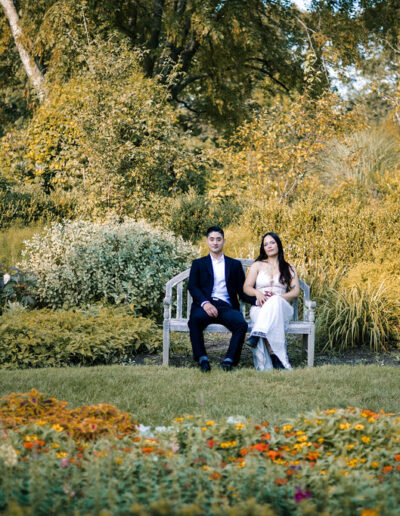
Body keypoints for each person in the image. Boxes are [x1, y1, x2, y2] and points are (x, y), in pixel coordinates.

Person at [188, 226, 256, 372]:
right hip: (205, 305)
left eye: (218, 239)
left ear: (224, 241)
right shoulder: (198, 264)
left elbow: (242, 291)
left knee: (241, 324)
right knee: (194, 320)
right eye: (212, 239)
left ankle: (229, 359)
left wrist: (258, 300)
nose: (215, 243)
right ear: (207, 241)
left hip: (226, 307)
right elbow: (193, 287)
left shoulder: (234, 265)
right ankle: (202, 358)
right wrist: (205, 303)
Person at [243, 232, 300, 371]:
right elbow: (246, 287)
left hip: (282, 307)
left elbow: (295, 292)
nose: (269, 246)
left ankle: (256, 334)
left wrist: (277, 298)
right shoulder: (257, 265)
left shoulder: (289, 268)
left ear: (278, 245)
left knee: (274, 303)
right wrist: (257, 292)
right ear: (263, 248)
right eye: (266, 244)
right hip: (260, 307)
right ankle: (275, 358)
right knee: (262, 315)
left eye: (272, 242)